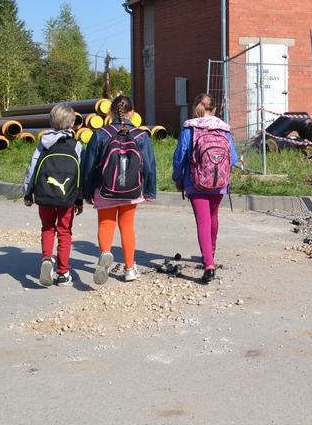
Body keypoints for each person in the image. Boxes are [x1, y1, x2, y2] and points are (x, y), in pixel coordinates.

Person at [81, 94, 156, 284]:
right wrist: (149, 190)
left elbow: (88, 165)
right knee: (127, 227)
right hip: (132, 189)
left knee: (105, 224)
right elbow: (149, 166)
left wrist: (87, 191)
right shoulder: (141, 135)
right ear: (132, 113)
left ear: (110, 112)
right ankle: (130, 269)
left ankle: (105, 255)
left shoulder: (100, 134)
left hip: (104, 188)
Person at [172, 93, 239, 284]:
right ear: (215, 109)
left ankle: (209, 265)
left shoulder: (190, 127)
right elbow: (233, 158)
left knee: (203, 221)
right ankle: (211, 252)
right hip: (220, 183)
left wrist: (177, 178)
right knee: (213, 217)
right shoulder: (224, 128)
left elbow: (180, 157)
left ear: (195, 107)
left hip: (195, 181)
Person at [21, 104, 83, 286]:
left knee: (47, 228)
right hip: (67, 197)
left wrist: (28, 192)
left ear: (51, 121)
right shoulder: (77, 145)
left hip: (44, 194)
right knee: (65, 232)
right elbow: (80, 173)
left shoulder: (44, 143)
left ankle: (47, 259)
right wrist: (79, 199)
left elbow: (33, 167)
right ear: (72, 123)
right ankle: (63, 273)